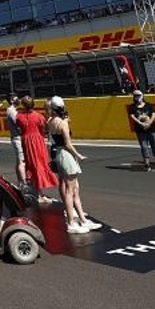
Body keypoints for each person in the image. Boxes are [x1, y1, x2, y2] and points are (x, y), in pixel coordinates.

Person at [47, 96, 99, 234]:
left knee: (74, 188)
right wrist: (78, 155)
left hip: (58, 152)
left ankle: (82, 219)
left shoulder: (50, 121)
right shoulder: (63, 123)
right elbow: (68, 144)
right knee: (71, 190)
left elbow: (53, 140)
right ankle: (71, 222)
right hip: (65, 154)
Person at [15, 95, 57, 202]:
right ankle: (39, 194)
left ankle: (37, 191)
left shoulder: (19, 116)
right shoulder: (39, 117)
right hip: (37, 141)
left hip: (26, 141)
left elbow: (19, 127)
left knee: (31, 165)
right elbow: (43, 130)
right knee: (39, 165)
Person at [128, 89, 155, 171]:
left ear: (142, 96)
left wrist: (149, 123)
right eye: (135, 96)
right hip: (140, 130)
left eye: (138, 96)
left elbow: (154, 114)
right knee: (144, 147)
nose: (137, 98)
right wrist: (141, 123)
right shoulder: (132, 107)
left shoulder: (148, 105)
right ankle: (147, 164)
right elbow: (132, 116)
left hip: (151, 129)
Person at [5, 95, 26, 186]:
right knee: (22, 161)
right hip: (17, 137)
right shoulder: (12, 111)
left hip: (16, 137)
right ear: (11, 100)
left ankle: (20, 182)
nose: (19, 100)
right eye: (16, 99)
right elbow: (18, 124)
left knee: (19, 161)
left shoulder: (12, 110)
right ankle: (24, 183)